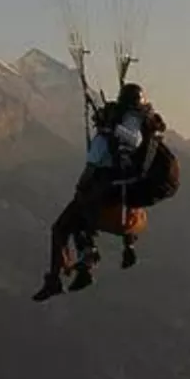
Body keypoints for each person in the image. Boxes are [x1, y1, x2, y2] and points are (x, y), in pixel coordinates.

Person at [33, 83, 164, 302]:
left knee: (61, 227)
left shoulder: (108, 138)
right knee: (80, 224)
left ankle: (58, 278)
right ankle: (84, 266)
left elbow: (92, 167)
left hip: (101, 191)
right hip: (117, 194)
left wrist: (81, 185)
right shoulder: (139, 130)